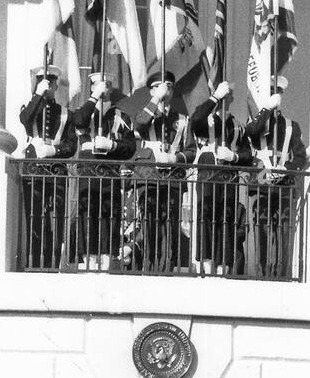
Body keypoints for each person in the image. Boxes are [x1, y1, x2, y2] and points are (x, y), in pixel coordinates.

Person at [67, 72, 137, 269]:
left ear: (111, 88)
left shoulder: (120, 116)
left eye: (106, 85)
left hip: (109, 172)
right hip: (88, 171)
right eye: (98, 84)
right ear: (92, 87)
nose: (103, 88)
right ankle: (89, 261)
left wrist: (112, 145)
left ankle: (106, 262)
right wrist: (93, 98)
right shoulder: (84, 110)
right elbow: (79, 121)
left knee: (110, 218)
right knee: (87, 217)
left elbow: (130, 147)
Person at [242, 77, 308, 277]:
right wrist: (267, 108)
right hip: (261, 183)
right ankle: (262, 271)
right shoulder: (257, 122)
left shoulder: (291, 126)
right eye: (271, 91)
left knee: (283, 230)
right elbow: (252, 130)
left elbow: (300, 156)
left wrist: (285, 169)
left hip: (282, 184)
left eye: (277, 91)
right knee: (261, 229)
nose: (275, 94)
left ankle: (281, 272)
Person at [186, 80, 252, 275]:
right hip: (208, 169)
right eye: (223, 94)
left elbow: (248, 155)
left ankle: (223, 268)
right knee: (206, 217)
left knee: (227, 219)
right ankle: (206, 266)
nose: (226, 98)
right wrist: (214, 98)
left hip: (228, 174)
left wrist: (235, 156)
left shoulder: (238, 126)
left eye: (227, 94)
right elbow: (195, 120)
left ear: (231, 98)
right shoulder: (206, 119)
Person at [19, 64, 77, 269]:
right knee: (34, 216)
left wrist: (54, 151)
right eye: (46, 84)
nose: (49, 88)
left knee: (56, 217)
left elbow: (71, 145)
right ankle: (34, 260)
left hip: (55, 169)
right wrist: (38, 95)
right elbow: (26, 120)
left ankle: (52, 261)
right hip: (34, 170)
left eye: (52, 85)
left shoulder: (65, 113)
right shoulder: (30, 107)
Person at [134, 72, 190, 271]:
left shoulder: (182, 119)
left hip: (172, 178)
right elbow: (140, 124)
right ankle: (148, 265)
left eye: (168, 86)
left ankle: (167, 265)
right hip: (148, 177)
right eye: (159, 86)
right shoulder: (145, 112)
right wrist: (156, 99)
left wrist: (175, 158)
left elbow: (191, 151)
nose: (165, 89)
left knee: (170, 225)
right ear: (152, 90)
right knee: (149, 223)